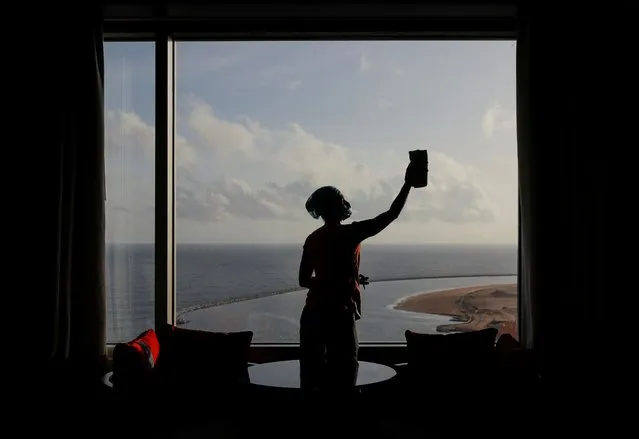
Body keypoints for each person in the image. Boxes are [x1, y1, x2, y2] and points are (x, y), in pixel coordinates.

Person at [298, 163, 419, 394]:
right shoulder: (351, 233)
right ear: (338, 208)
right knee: (345, 375)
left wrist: (340, 278)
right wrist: (408, 184)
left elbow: (304, 280)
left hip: (312, 315)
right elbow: (391, 214)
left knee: (311, 377)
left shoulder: (313, 238)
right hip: (339, 314)